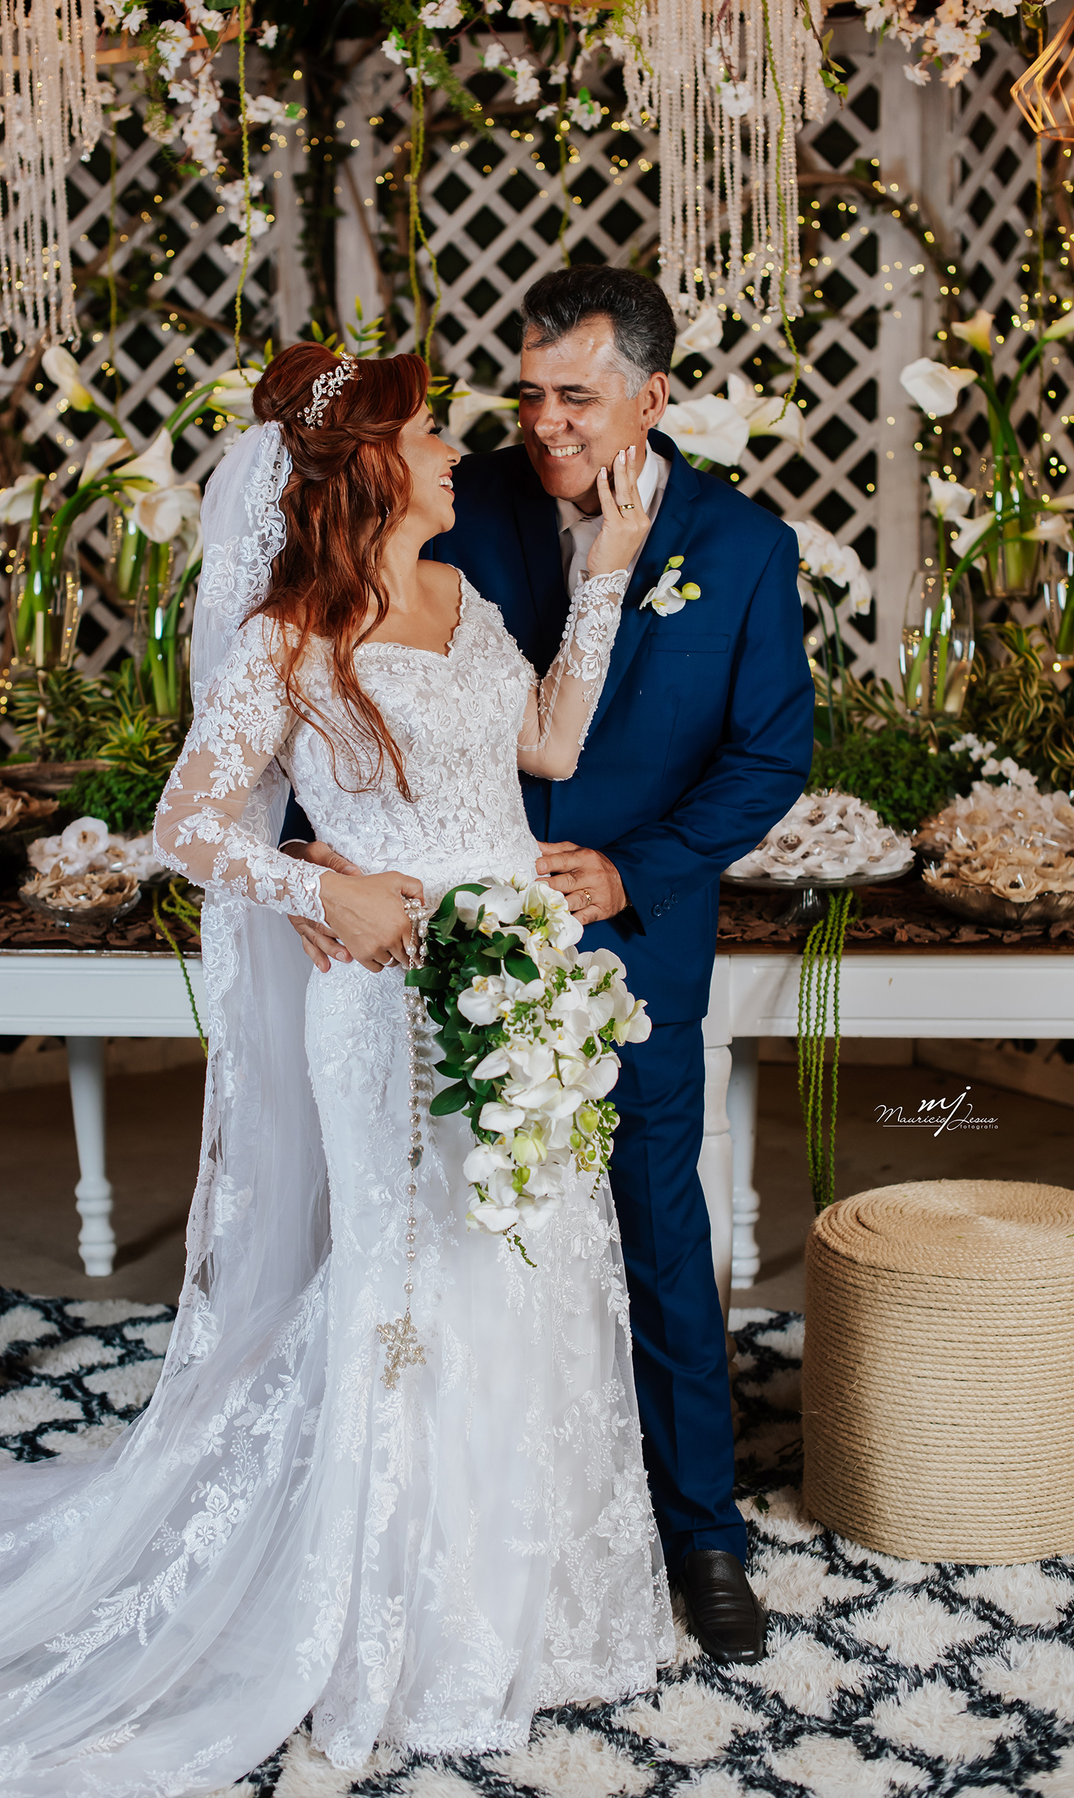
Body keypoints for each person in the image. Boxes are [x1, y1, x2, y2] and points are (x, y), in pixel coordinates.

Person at [0, 345, 674, 1794]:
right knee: (412, 1286)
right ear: (368, 468)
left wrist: (608, 566)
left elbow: (549, 743)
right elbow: (188, 822)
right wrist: (324, 891)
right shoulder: (293, 636)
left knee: (533, 1269)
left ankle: (535, 1618)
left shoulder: (467, 598)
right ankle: (403, 1632)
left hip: (526, 988)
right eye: (428, 436)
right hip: (387, 1003)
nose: (456, 453)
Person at [284, 268, 816, 1665]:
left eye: (576, 395)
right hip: (436, 948)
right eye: (528, 393)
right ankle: (471, 1531)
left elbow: (770, 754)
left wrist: (638, 867)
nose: (544, 422)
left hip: (631, 950)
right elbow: (332, 659)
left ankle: (701, 1531)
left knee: (654, 1230)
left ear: (653, 395)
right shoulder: (458, 503)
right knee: (466, 1246)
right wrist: (309, 856)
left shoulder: (742, 547)